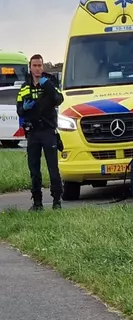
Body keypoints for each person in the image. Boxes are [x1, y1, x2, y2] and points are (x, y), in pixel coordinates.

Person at [16, 54, 64, 210]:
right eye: (34, 65)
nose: (37, 68)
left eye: (39, 65)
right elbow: (19, 111)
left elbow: (59, 99)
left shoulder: (49, 83)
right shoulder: (24, 88)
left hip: (48, 131)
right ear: (30, 67)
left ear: (43, 67)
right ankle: (37, 203)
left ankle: (57, 201)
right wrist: (24, 108)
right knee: (34, 169)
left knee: (53, 168)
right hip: (33, 133)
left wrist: (48, 87)